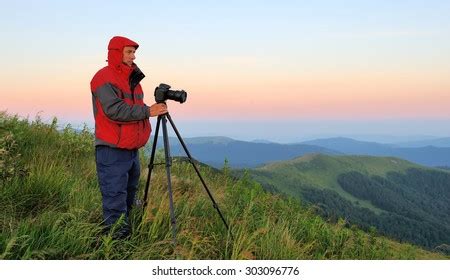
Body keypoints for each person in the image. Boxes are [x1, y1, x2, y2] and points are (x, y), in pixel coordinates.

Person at [90, 36, 167, 239]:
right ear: (116, 53)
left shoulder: (132, 79)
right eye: (128, 52)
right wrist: (148, 111)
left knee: (129, 194)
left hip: (131, 149)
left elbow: (133, 106)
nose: (133, 56)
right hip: (111, 149)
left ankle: (127, 234)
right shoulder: (103, 77)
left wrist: (150, 112)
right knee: (115, 197)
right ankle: (117, 245)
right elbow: (114, 110)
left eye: (134, 52)